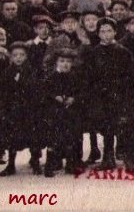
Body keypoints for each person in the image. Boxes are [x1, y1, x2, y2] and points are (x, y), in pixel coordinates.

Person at [82, 17, 134, 170]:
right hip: (101, 95)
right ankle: (108, 157)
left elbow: (130, 76)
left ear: (115, 32)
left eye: (109, 31)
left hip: (119, 94)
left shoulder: (123, 52)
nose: (106, 34)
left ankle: (127, 157)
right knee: (107, 127)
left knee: (123, 125)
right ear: (98, 33)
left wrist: (126, 94)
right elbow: (89, 76)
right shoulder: (94, 53)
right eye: (102, 31)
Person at [0, 42, 39, 176]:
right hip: (13, 109)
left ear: (26, 56)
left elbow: (35, 88)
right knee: (11, 137)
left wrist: (20, 82)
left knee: (33, 137)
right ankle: (11, 164)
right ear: (11, 57)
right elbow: (3, 91)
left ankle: (35, 161)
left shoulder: (32, 70)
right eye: (15, 55)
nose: (18, 58)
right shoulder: (7, 72)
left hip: (29, 109)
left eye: (22, 55)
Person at [42, 48, 83, 177]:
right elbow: (45, 92)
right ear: (56, 63)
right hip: (56, 112)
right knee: (54, 138)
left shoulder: (75, 77)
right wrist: (55, 97)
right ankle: (51, 163)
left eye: (68, 61)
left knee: (72, 136)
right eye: (62, 61)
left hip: (71, 111)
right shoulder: (51, 77)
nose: (65, 64)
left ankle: (71, 162)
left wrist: (73, 98)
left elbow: (80, 91)